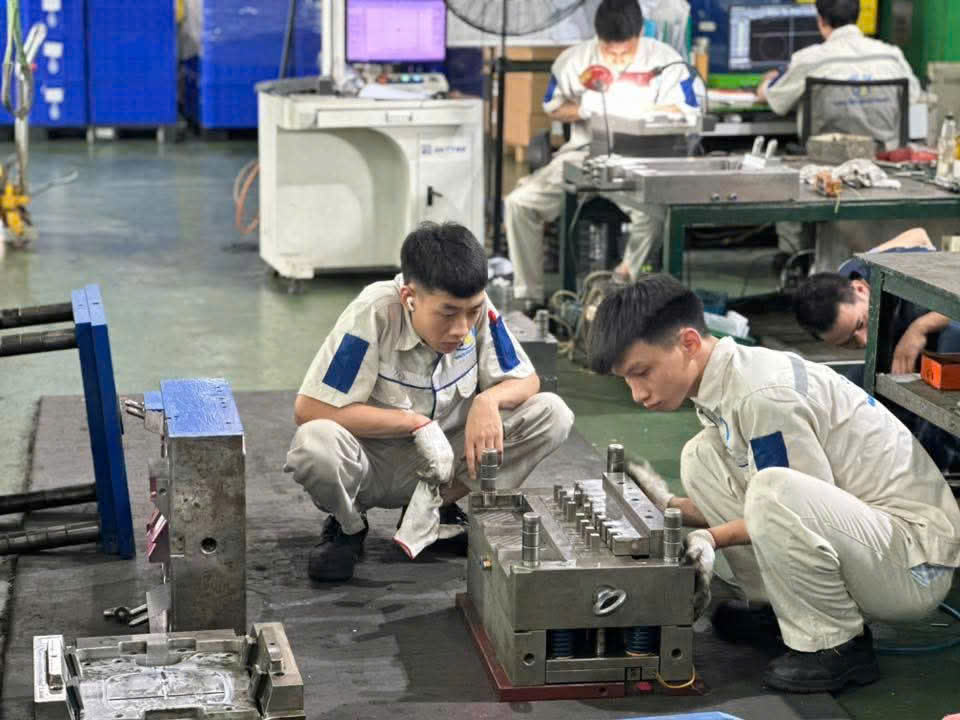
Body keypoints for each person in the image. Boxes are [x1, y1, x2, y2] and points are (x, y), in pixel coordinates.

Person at [588, 274, 960, 692]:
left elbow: (785, 504)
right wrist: (665, 504)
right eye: (627, 379)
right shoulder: (724, 381)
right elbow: (777, 504)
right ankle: (776, 612)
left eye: (642, 372)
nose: (637, 393)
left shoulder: (761, 395)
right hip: (874, 535)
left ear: (688, 342)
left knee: (774, 492)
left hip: (916, 564)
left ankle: (837, 645)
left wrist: (709, 538)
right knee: (701, 456)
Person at [284, 221, 574, 581]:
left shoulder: (476, 308)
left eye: (471, 312)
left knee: (552, 413)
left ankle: (432, 511)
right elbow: (310, 409)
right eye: (448, 313)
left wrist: (488, 402)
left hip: (445, 465)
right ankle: (348, 527)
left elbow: (527, 380)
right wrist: (413, 423)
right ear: (410, 298)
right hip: (374, 466)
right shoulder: (373, 314)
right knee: (315, 443)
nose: (462, 328)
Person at [504, 0, 698, 305]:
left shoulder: (666, 61)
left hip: (640, 159)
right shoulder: (574, 60)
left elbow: (689, 111)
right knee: (519, 204)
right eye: (610, 52)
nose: (617, 59)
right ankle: (529, 296)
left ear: (640, 34)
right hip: (584, 153)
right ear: (598, 37)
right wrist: (584, 108)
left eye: (626, 52)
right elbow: (553, 106)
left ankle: (621, 285)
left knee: (654, 216)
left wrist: (649, 110)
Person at [795, 228, 960, 472]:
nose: (863, 341)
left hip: (946, 336)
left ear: (860, 290)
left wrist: (921, 327)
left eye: (860, 325)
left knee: (952, 341)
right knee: (848, 389)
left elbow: (918, 236)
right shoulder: (848, 276)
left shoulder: (883, 269)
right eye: (847, 343)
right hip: (909, 357)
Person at [757, 0, 921, 150]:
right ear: (858, 16)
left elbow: (775, 99)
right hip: (884, 161)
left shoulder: (808, 59)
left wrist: (768, 83)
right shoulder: (891, 55)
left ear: (821, 21)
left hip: (825, 162)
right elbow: (913, 95)